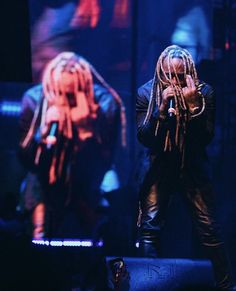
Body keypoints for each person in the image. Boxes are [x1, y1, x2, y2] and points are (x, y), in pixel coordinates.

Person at [136, 45, 235, 290]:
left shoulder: (205, 93)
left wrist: (194, 108)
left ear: (189, 72)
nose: (175, 82)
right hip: (158, 168)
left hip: (193, 167)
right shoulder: (147, 93)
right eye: (170, 76)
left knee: (209, 228)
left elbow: (206, 138)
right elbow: (144, 138)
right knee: (150, 228)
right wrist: (160, 113)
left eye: (180, 76)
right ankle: (150, 283)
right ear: (161, 72)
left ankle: (226, 285)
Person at [18, 51, 126, 239]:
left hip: (92, 177)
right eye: (60, 92)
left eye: (71, 94)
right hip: (45, 178)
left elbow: (108, 161)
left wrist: (86, 131)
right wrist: (42, 136)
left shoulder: (105, 103)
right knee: (37, 213)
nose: (65, 101)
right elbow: (25, 159)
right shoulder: (35, 100)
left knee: (101, 227)